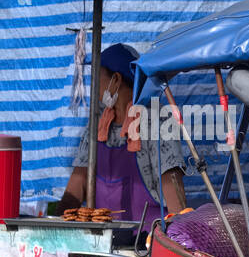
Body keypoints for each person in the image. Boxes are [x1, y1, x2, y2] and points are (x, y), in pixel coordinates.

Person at [60, 43, 187, 225]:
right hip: (100, 242)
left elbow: (171, 184)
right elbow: (79, 181)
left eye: (97, 78)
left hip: (145, 242)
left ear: (116, 80)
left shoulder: (156, 120)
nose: (93, 87)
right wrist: (56, 225)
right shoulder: (98, 123)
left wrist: (179, 235)